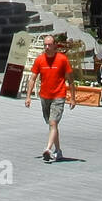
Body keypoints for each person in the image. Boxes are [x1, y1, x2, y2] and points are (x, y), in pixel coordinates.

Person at [25, 34, 75, 162]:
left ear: (55, 45)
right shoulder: (40, 60)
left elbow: (71, 80)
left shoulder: (62, 59)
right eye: (45, 45)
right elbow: (32, 79)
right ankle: (58, 151)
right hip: (44, 96)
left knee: (53, 123)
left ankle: (47, 149)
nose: (47, 47)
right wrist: (28, 96)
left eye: (49, 45)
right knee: (52, 124)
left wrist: (73, 98)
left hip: (59, 95)